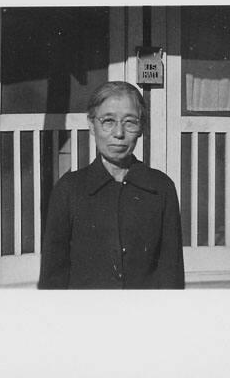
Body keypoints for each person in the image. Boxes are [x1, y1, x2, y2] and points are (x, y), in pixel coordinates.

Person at [38, 81, 185, 289]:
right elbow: (53, 276)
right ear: (91, 125)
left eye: (130, 122)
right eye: (108, 121)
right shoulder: (69, 190)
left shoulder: (161, 188)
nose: (119, 133)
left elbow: (172, 272)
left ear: (141, 127)